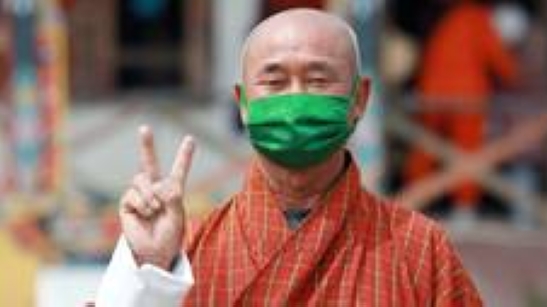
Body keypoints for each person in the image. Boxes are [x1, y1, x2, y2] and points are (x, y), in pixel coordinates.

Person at [96, 9, 482, 306]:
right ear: (243, 104)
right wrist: (149, 270)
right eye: (275, 82)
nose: (295, 101)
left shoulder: (419, 249)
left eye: (318, 81)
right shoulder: (184, 250)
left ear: (359, 99)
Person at [404, 0, 519, 219]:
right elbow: (497, 56)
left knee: (427, 148)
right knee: (467, 152)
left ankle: (412, 198)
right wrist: (515, 78)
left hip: (433, 92)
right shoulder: (477, 18)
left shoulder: (447, 19)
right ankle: (464, 207)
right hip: (466, 96)